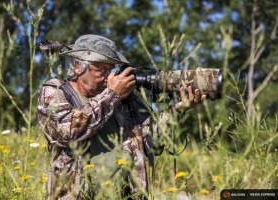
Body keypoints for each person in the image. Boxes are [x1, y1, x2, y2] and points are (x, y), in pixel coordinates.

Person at [38, 34, 205, 200]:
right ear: (77, 67)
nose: (109, 76)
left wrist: (179, 109)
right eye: (102, 69)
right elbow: (66, 132)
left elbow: (152, 139)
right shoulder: (56, 91)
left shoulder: (124, 100)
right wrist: (112, 95)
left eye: (111, 69)